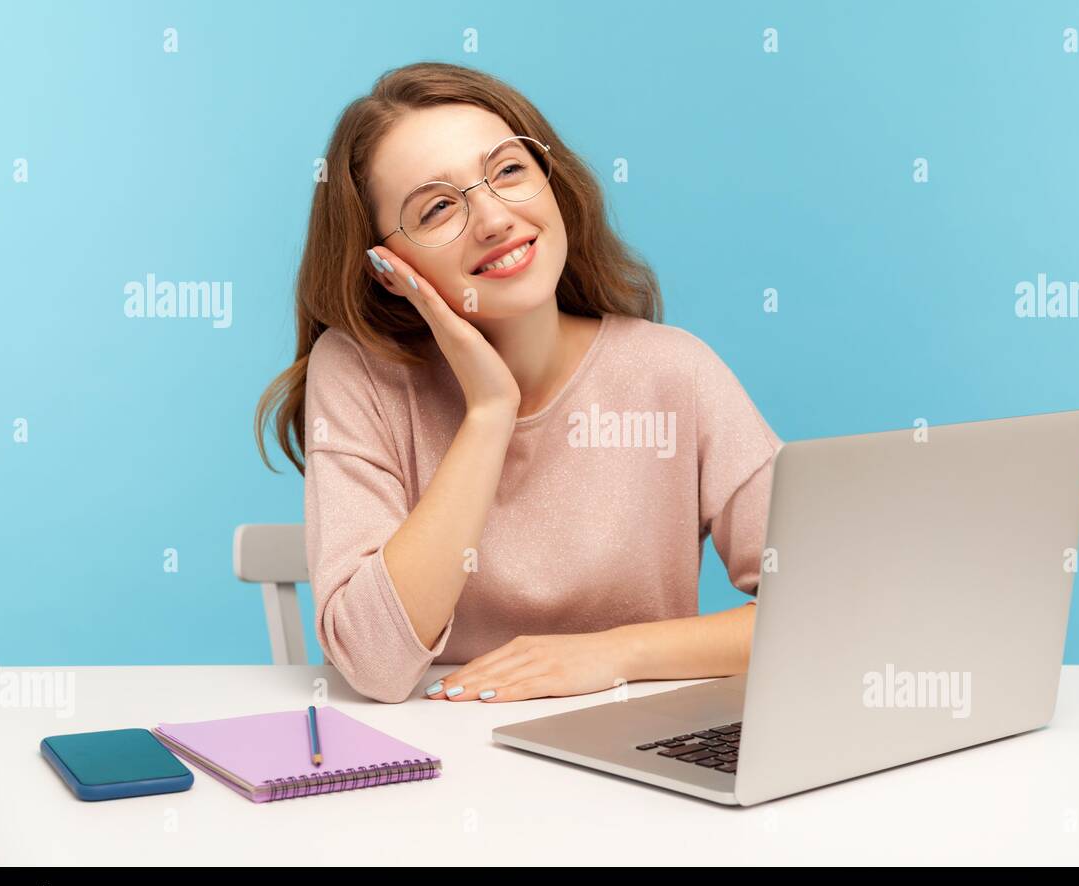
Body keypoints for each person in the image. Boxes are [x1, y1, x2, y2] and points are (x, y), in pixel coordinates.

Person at [254, 62, 781, 704]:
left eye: (508, 171)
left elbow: (827, 604)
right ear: (388, 268)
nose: (495, 219)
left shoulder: (674, 371)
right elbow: (373, 666)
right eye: (439, 207)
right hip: (443, 760)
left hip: (635, 757)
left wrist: (617, 653)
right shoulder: (361, 375)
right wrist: (490, 410)